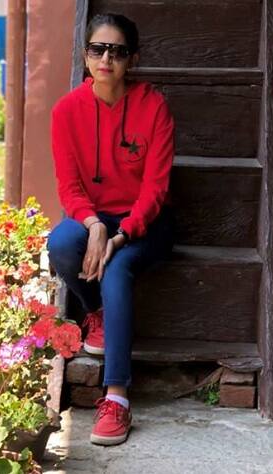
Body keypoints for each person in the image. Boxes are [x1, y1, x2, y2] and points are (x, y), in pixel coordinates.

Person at [48, 13, 175, 446]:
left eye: (117, 51)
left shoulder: (153, 107)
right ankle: (96, 312)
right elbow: (69, 187)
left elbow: (155, 189)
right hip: (95, 216)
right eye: (97, 49)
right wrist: (93, 225)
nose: (106, 59)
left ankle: (117, 396)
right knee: (62, 242)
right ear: (85, 55)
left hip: (147, 223)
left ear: (132, 59)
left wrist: (121, 234)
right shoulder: (67, 111)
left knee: (118, 268)